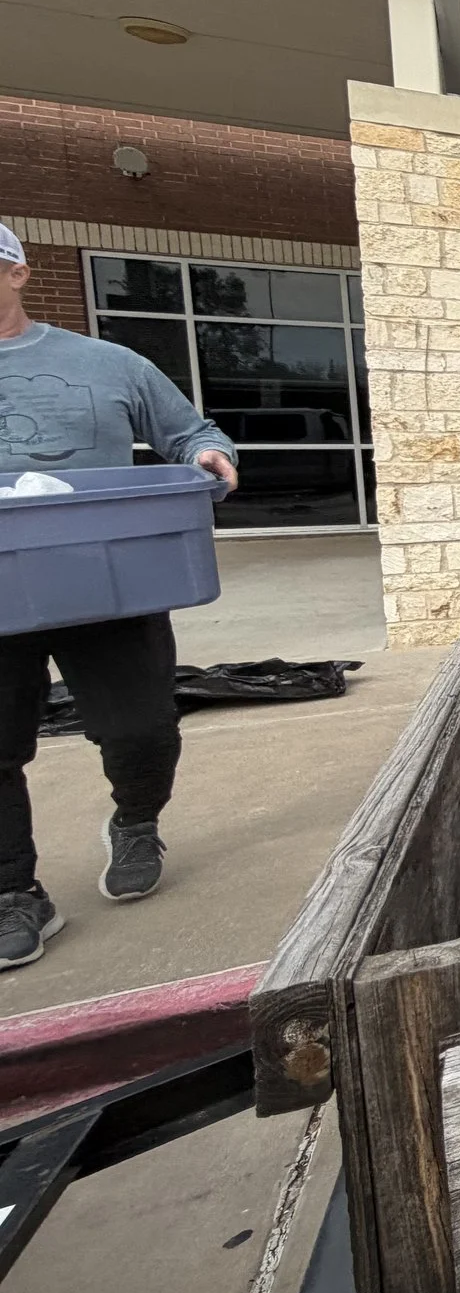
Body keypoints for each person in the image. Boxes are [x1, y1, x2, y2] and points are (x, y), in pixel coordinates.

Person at [0, 221, 240, 970]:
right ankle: (13, 891)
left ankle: (137, 818)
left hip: (105, 578)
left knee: (141, 728)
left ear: (17, 272)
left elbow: (191, 432)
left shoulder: (108, 363)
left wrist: (210, 455)